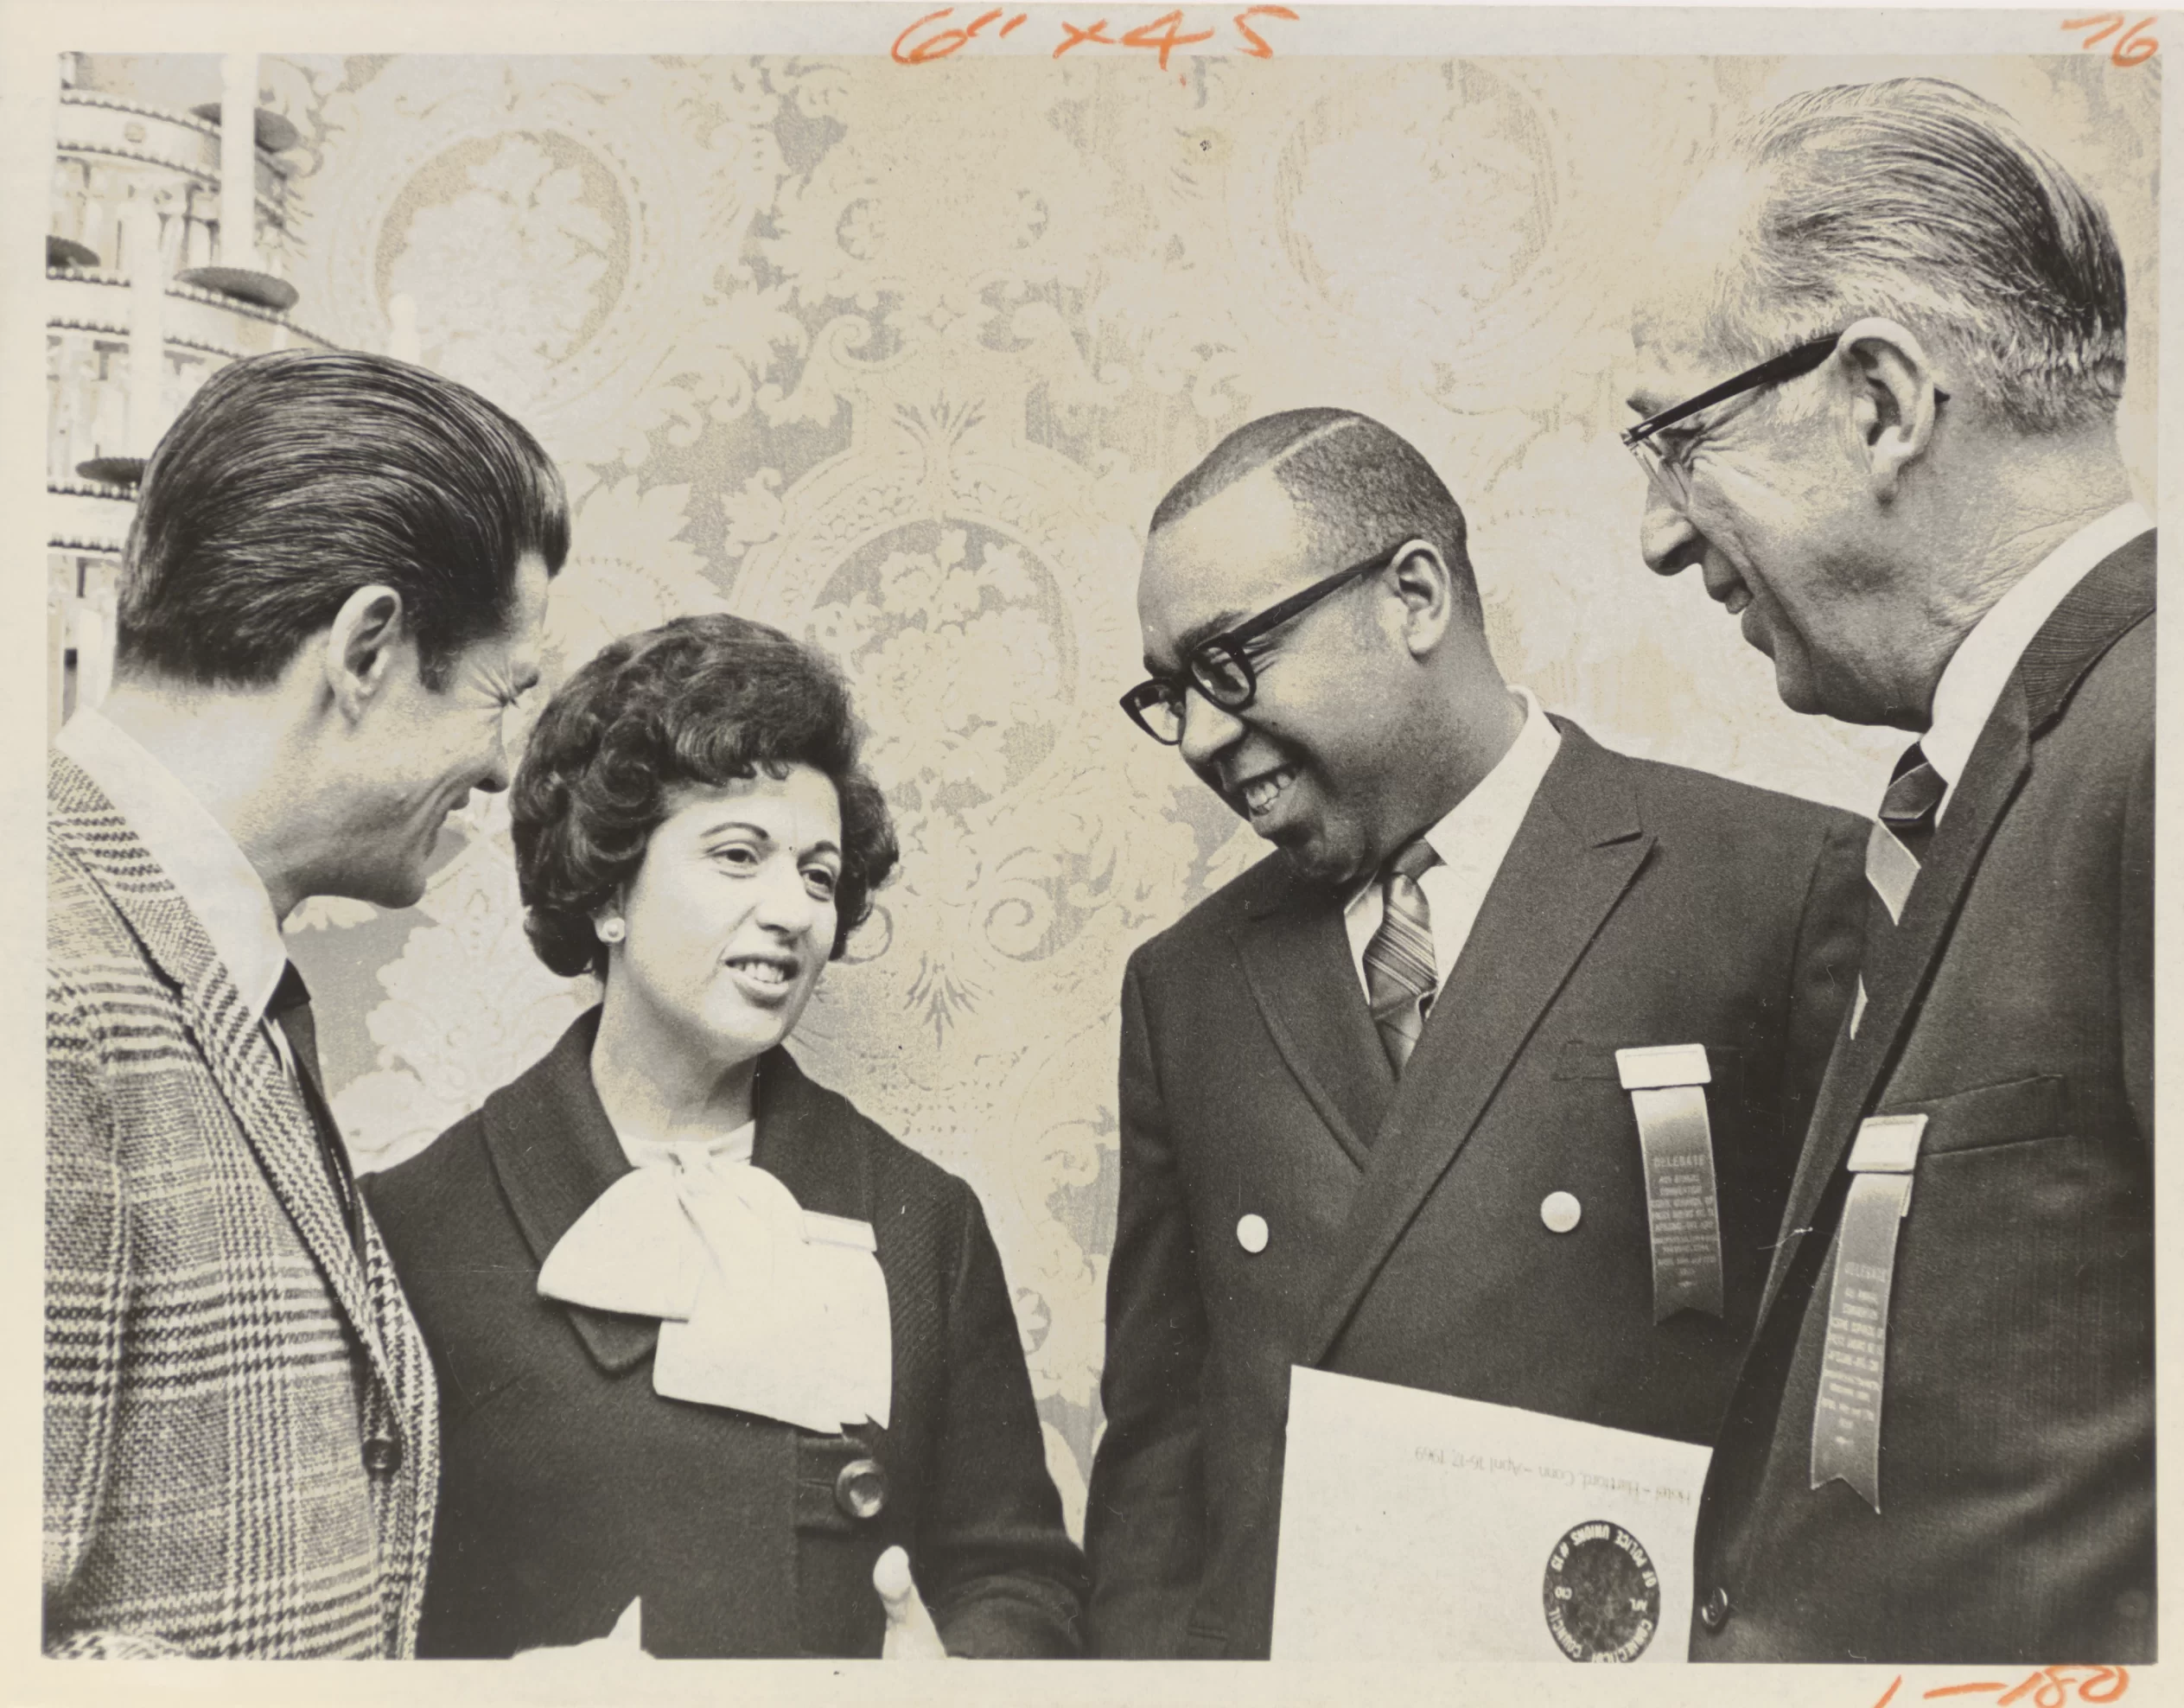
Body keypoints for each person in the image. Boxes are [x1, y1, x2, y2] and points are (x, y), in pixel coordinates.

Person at [1085, 407, 1868, 1658]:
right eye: (1167, 693)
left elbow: (1849, 1414)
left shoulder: (1771, 891)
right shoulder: (1185, 989)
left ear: (1412, 595)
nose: (1199, 737)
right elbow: (1158, 1464)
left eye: (1229, 664)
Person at [1627, 79, 2154, 1663]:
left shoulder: (2163, 745)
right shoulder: (2005, 774)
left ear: (1878, 402)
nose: (1657, 536)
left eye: (1676, 443)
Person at [361, 615, 1086, 1660]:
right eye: (738, 854)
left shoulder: (921, 1220)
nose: (791, 909)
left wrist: (956, 1675)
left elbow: (1014, 1574)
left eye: (820, 875)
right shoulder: (418, 1223)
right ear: (608, 887)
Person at [46, 350, 568, 1656]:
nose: (507, 769)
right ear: (368, 649)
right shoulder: (47, 988)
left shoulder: (196, 958)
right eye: (505, 696)